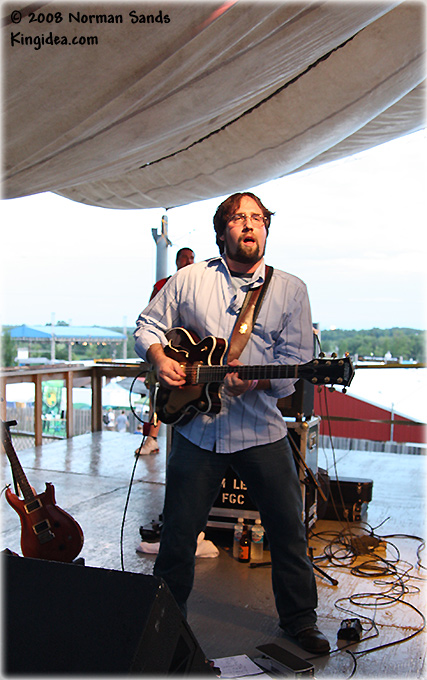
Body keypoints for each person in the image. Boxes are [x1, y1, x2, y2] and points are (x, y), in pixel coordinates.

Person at [134, 193, 330, 654]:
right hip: (197, 431)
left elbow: (294, 364)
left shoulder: (290, 289)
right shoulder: (189, 279)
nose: (250, 225)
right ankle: (165, 626)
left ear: (266, 229)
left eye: (258, 219)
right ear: (222, 230)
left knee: (288, 531)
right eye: (239, 218)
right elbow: (147, 326)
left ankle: (301, 621)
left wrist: (258, 382)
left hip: (261, 431)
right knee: (177, 536)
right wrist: (160, 358)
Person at [136, 247, 195, 456]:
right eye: (185, 258)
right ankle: (152, 437)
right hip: (166, 350)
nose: (189, 261)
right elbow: (150, 320)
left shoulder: (198, 284)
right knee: (158, 393)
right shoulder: (164, 285)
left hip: (192, 352)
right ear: (177, 261)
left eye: (192, 258)